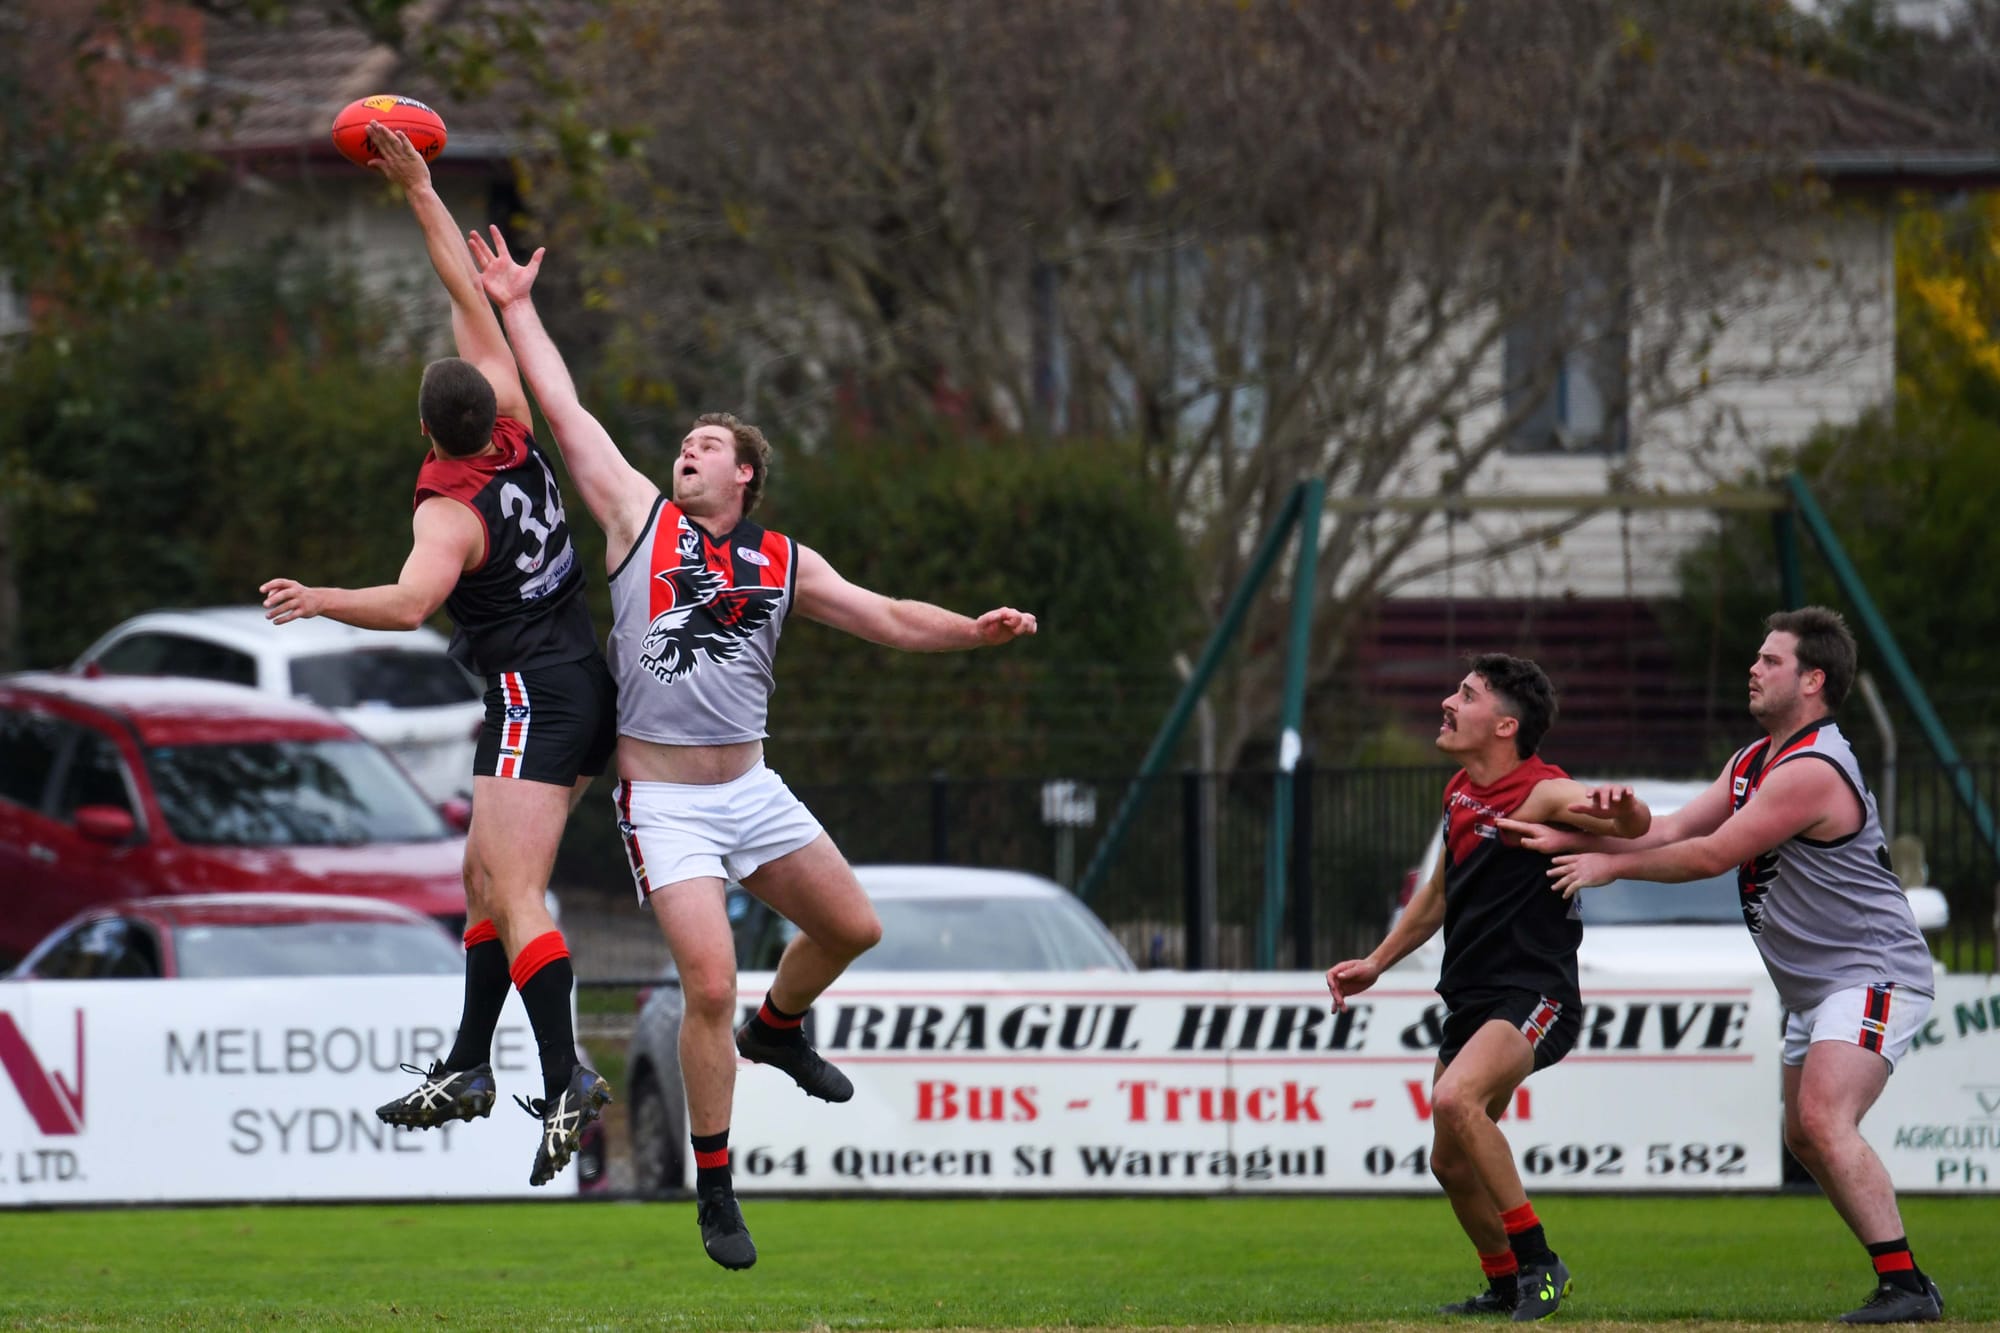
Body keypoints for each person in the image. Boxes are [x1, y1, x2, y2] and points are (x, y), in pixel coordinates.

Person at [467, 227, 1038, 1269]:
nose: (685, 449)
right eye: (682, 441)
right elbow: (564, 407)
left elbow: (885, 615)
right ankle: (717, 1193)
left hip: (752, 787)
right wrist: (513, 303)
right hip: (665, 803)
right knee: (709, 986)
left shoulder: (779, 558)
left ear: (744, 476)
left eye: (705, 445)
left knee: (851, 926)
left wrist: (969, 628)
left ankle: (781, 1030)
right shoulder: (638, 520)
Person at [258, 124, 615, 1187]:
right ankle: (468, 1064)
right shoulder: (509, 417)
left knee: (512, 892)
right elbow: (466, 287)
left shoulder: (448, 509)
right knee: (481, 881)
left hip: (530, 699)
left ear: (425, 424)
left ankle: (562, 1080)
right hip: (579, 682)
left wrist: (320, 595)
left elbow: (414, 603)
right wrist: (418, 188)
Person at [1505, 608, 1944, 1325]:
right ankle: (1901, 1279)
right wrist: (1575, 826)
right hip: (1820, 986)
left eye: (1771, 659)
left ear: (1813, 679)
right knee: (1804, 1134)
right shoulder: (1752, 761)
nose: (1754, 667)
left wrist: (1610, 866)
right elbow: (1673, 826)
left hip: (1873, 971)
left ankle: (1908, 1285)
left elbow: (1712, 853)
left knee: (1822, 1117)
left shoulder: (1812, 767)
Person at [1324, 655, 1650, 1322]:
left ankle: (1539, 1262)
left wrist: (1628, 809)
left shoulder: (1546, 792)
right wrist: (1378, 961)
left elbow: (1628, 825)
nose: (1448, 700)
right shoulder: (1459, 791)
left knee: (1455, 1096)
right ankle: (1505, 1283)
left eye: (1466, 694)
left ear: (1505, 724)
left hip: (1536, 994)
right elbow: (1437, 894)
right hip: (1473, 999)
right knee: (1449, 1159)